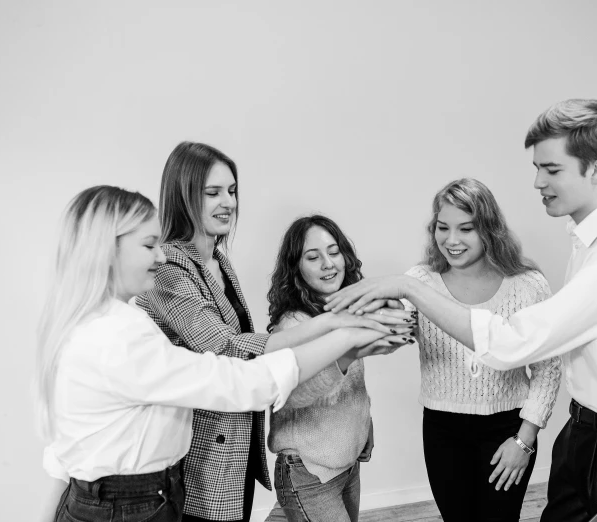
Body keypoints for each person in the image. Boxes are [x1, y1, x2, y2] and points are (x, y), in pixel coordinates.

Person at [324, 99, 597, 522]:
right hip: (586, 431)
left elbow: (515, 343)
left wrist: (406, 287)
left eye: (551, 169)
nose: (537, 182)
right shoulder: (588, 241)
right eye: (537, 168)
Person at [36, 186, 396, 522]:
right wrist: (347, 336)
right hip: (132, 503)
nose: (162, 257)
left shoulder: (104, 321)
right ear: (107, 251)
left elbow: (60, 450)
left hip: (136, 496)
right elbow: (236, 381)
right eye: (149, 246)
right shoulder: (117, 336)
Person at [136, 142, 413, 522]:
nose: (228, 202)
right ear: (183, 195)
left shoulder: (218, 261)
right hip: (202, 454)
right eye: (212, 192)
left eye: (232, 191)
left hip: (237, 448)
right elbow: (226, 347)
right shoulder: (169, 268)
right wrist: (338, 327)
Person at [399, 178, 561, 521]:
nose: (451, 240)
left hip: (509, 428)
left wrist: (524, 440)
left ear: (489, 230)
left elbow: (548, 368)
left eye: (466, 229)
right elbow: (394, 329)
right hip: (443, 430)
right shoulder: (419, 283)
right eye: (443, 227)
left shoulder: (528, 285)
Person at [266, 215, 415, 522]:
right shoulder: (294, 325)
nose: (328, 264)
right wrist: (345, 355)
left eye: (333, 252)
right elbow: (290, 396)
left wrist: (365, 424)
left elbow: (352, 384)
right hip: (308, 474)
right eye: (313, 257)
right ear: (296, 268)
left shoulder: (346, 310)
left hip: (347, 467)